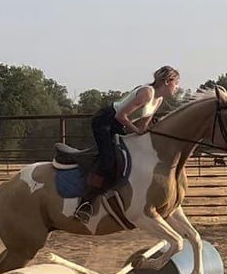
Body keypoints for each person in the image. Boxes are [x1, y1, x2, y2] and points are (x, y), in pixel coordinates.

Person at [74, 65, 180, 222]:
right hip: (105, 121)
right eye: (176, 83)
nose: (177, 87)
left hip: (120, 125)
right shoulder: (147, 93)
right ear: (167, 81)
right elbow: (120, 115)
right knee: (108, 160)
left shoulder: (159, 100)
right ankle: (85, 203)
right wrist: (136, 131)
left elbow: (144, 125)